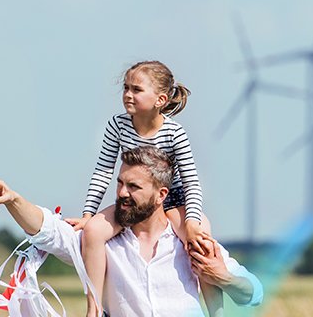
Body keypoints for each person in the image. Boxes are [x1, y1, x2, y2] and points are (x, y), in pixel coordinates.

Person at [0, 145, 263, 316]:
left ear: (161, 194)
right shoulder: (100, 241)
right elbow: (49, 231)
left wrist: (223, 276)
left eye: (134, 187)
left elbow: (253, 292)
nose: (122, 193)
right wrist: (14, 200)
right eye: (120, 183)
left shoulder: (187, 241)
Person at [64, 60, 223, 316]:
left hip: (171, 200)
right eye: (126, 88)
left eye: (136, 90)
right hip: (133, 200)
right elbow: (103, 171)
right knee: (93, 231)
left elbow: (191, 181)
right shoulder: (117, 125)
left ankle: (217, 312)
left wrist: (192, 222)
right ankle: (94, 309)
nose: (128, 94)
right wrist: (88, 214)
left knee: (202, 240)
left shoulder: (175, 133)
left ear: (160, 99)